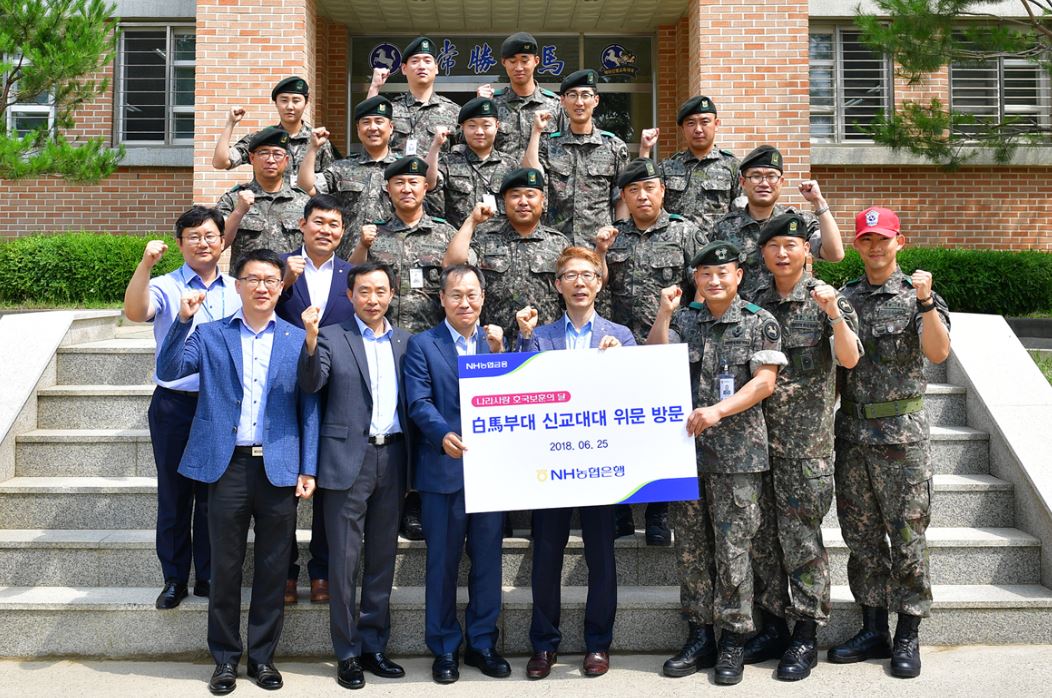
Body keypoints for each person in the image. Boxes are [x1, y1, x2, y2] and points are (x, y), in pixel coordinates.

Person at [155, 248, 319, 695]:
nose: (263, 287)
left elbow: (309, 403)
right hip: (226, 464)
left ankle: (263, 659)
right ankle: (225, 659)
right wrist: (181, 322)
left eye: (271, 280)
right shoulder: (209, 334)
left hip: (278, 466)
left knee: (271, 569)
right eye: (254, 279)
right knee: (225, 568)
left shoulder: (294, 336)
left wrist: (309, 466)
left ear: (280, 285)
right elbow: (168, 370)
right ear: (239, 285)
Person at [648, 240, 787, 686]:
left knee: (733, 550)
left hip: (737, 455)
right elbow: (652, 361)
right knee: (691, 549)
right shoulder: (685, 319)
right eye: (705, 274)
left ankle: (733, 638)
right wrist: (665, 314)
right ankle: (699, 635)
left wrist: (718, 411)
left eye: (722, 273)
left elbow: (764, 382)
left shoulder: (759, 322)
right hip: (684, 455)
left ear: (739, 276)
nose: (713, 281)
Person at [827, 207, 951, 679]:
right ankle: (873, 626)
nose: (874, 247)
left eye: (883, 239)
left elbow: (937, 352)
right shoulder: (845, 299)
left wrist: (924, 303)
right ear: (856, 246)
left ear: (900, 241)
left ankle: (908, 632)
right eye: (866, 240)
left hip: (901, 439)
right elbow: (838, 369)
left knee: (907, 537)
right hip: (854, 436)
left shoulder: (919, 295)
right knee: (861, 539)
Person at [745, 212, 862, 680]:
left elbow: (850, 357)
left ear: (806, 252)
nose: (782, 252)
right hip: (754, 441)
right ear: (764, 254)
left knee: (802, 541)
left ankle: (807, 632)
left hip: (805, 444)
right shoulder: (752, 302)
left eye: (791, 246)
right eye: (773, 246)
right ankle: (773, 624)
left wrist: (833, 312)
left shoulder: (826, 301)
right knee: (762, 540)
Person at [514, 246, 633, 680]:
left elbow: (635, 396)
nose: (580, 282)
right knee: (546, 555)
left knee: (602, 555)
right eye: (570, 275)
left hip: (600, 467)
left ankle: (598, 644)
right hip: (551, 468)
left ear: (600, 283)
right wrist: (522, 341)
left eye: (588, 275)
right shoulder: (540, 334)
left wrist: (622, 362)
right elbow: (517, 391)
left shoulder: (620, 335)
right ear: (557, 284)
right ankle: (544, 645)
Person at [298, 261, 412, 690]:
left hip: (394, 458)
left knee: (381, 560)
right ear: (350, 296)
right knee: (344, 563)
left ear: (392, 294)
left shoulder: (406, 342)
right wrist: (310, 341)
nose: (373, 299)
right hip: (347, 461)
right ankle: (346, 653)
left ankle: (373, 646)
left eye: (381, 291)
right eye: (364, 291)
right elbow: (311, 385)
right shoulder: (330, 337)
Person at [122, 206, 241, 610]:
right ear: (180, 244)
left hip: (219, 404)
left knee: (212, 495)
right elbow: (136, 312)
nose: (203, 243)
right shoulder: (165, 284)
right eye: (193, 236)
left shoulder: (238, 288)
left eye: (210, 235)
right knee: (174, 495)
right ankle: (174, 578)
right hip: (174, 403)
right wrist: (145, 263)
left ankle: (207, 575)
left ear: (222, 241)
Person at [403, 264, 508, 684]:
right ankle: (444, 646)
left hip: (491, 474)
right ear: (442, 300)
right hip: (442, 471)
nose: (465, 302)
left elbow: (515, 397)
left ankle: (482, 643)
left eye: (473, 294)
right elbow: (418, 402)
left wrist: (501, 356)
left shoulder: (495, 341)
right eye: (456, 295)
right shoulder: (422, 345)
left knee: (487, 563)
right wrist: (441, 433)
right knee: (442, 565)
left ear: (483, 297)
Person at [595, 157, 709, 545]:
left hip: (671, 349)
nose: (642, 196)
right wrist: (599, 251)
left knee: (663, 429)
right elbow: (597, 288)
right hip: (619, 349)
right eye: (633, 190)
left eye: (649, 188)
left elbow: (706, 289)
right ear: (624, 196)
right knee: (620, 427)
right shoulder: (614, 238)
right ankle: (621, 510)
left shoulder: (686, 233)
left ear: (663, 190)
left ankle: (659, 513)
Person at [275, 194, 356, 605]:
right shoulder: (281, 268)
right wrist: (284, 282)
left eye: (334, 225)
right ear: (302, 225)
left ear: (343, 233)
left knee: (330, 481)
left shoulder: (352, 274)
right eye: (319, 222)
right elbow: (258, 308)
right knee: (287, 476)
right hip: (288, 385)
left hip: (338, 388)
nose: (326, 230)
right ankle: (286, 570)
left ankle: (321, 570)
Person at [444, 167, 567, 348]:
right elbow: (452, 266)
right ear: (504, 202)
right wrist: (472, 222)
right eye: (515, 195)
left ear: (543, 200)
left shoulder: (559, 244)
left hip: (546, 344)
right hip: (494, 344)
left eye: (530, 195)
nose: (523, 202)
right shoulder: (486, 239)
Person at [711, 145, 843, 300]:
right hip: (743, 320)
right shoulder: (724, 227)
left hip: (790, 314)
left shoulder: (798, 221)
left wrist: (819, 202)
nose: (764, 183)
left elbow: (835, 254)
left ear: (781, 181)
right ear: (742, 182)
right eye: (756, 176)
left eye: (771, 176)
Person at [349, 155, 459, 335]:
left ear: (425, 188)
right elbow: (353, 276)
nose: (406, 189)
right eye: (399, 183)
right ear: (388, 190)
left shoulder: (446, 234)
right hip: (382, 337)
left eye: (413, 182)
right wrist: (362, 245)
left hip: (431, 339)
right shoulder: (373, 233)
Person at [523, 68, 629, 247]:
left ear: (595, 100)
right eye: (572, 95)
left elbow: (622, 199)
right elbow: (530, 175)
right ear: (562, 101)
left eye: (585, 95)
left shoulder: (614, 147)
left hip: (599, 245)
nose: (579, 102)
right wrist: (536, 132)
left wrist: (619, 239)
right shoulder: (548, 144)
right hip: (555, 244)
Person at [297, 96, 399, 259]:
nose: (373, 128)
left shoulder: (403, 169)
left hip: (391, 260)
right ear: (358, 129)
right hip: (347, 260)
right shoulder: (342, 168)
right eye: (366, 122)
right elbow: (306, 186)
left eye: (379, 121)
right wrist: (313, 148)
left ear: (391, 127)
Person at [638, 96, 741, 237]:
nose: (698, 129)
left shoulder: (733, 166)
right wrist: (645, 150)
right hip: (676, 249)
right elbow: (644, 191)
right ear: (683, 128)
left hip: (716, 251)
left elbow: (741, 213)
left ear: (716, 124)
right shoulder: (668, 167)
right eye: (691, 123)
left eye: (705, 122)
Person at [217, 126, 310, 270]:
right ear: (252, 158)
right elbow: (217, 244)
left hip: (291, 287)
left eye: (277, 154)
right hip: (247, 287)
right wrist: (239, 212)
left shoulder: (303, 202)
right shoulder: (233, 199)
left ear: (286, 160)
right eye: (264, 153)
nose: (271, 160)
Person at [212, 76, 338, 180]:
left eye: (296, 101)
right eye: (284, 100)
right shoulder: (261, 138)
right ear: (276, 104)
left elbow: (330, 183)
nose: (290, 106)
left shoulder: (319, 141)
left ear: (306, 103)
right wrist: (230, 123)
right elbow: (221, 162)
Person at [424, 96, 518, 229]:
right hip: (459, 241)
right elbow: (428, 183)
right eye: (472, 126)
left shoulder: (510, 165)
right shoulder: (448, 162)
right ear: (462, 128)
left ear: (497, 126)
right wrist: (435, 146)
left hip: (499, 245)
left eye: (486, 125)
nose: (479, 132)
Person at [366, 36, 460, 157]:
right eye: (415, 61)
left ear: (436, 68)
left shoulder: (454, 111)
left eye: (427, 61)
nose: (421, 66)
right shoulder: (391, 109)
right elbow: (369, 128)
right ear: (404, 69)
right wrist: (374, 87)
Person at [481, 32, 561, 160]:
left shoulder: (556, 105)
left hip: (542, 178)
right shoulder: (491, 103)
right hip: (501, 179)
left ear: (536, 61)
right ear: (503, 62)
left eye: (524, 61)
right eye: (512, 61)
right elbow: (469, 143)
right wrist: (480, 106)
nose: (518, 68)